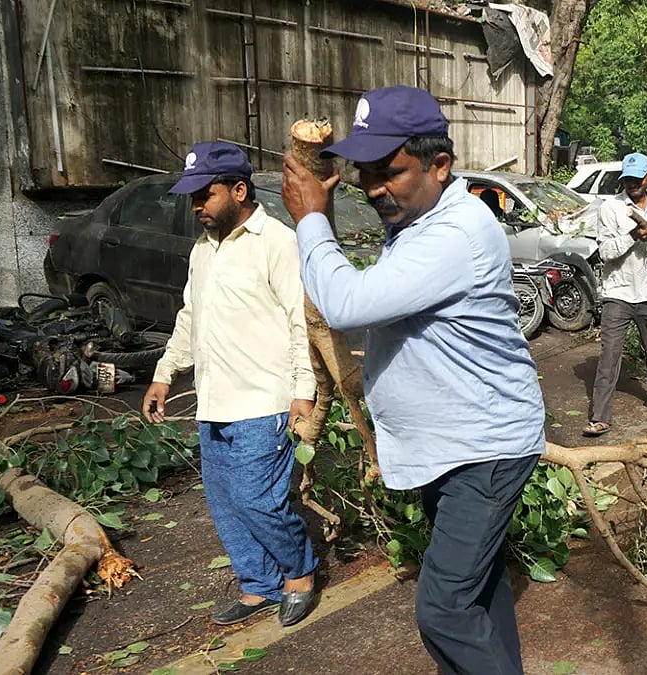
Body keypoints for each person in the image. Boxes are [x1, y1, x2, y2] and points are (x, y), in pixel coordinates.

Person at [281, 85, 544, 674]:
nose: (374, 187)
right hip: (451, 446)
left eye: (390, 172)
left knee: (445, 610)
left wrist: (311, 222)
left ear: (439, 164)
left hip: (484, 447)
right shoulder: (422, 221)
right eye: (365, 172)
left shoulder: (456, 232)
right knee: (477, 594)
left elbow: (347, 304)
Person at [143, 142, 319, 628]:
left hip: (264, 401)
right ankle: (257, 584)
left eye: (206, 194)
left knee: (258, 500)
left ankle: (299, 575)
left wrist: (303, 390)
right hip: (214, 401)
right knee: (224, 504)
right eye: (192, 197)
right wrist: (164, 373)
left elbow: (301, 322)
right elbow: (190, 317)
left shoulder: (277, 243)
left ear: (239, 190)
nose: (196, 205)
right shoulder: (204, 249)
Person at [583, 152, 647, 437]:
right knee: (610, 354)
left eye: (638, 179)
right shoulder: (611, 208)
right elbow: (607, 253)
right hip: (619, 291)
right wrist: (636, 235)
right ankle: (600, 416)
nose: (633, 185)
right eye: (628, 180)